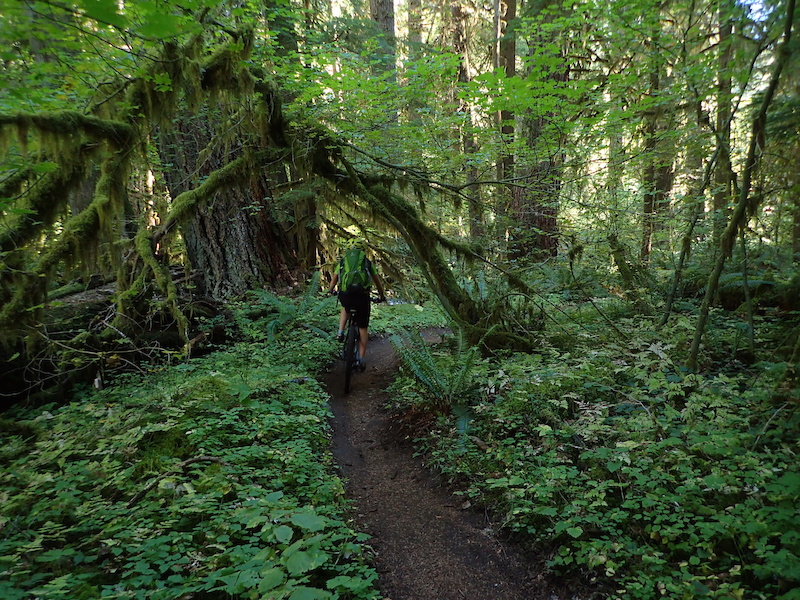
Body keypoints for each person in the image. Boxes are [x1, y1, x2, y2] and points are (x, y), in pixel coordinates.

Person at [327, 238, 386, 370]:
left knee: (345, 307)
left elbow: (334, 279)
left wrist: (330, 290)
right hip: (362, 296)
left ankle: (340, 332)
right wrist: (381, 295)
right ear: (362, 250)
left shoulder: (342, 262)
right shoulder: (366, 263)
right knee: (363, 328)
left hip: (346, 295)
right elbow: (377, 281)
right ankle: (361, 359)